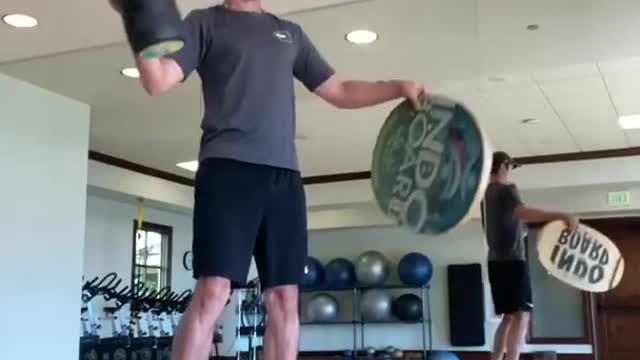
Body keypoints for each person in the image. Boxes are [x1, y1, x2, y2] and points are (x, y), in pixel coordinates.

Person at [110, 1, 424, 360]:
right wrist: (137, 16)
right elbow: (157, 80)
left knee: (285, 297)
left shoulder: (290, 34)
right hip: (227, 169)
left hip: (283, 176)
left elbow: (339, 90)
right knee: (214, 291)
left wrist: (397, 86)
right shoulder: (205, 22)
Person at [481, 151, 579, 360]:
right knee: (522, 315)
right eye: (510, 168)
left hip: (494, 262)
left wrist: (522, 229)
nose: (511, 173)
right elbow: (521, 212)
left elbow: (507, 223)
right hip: (513, 261)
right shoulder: (507, 189)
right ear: (502, 166)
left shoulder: (486, 195)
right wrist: (559, 215)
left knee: (507, 317)